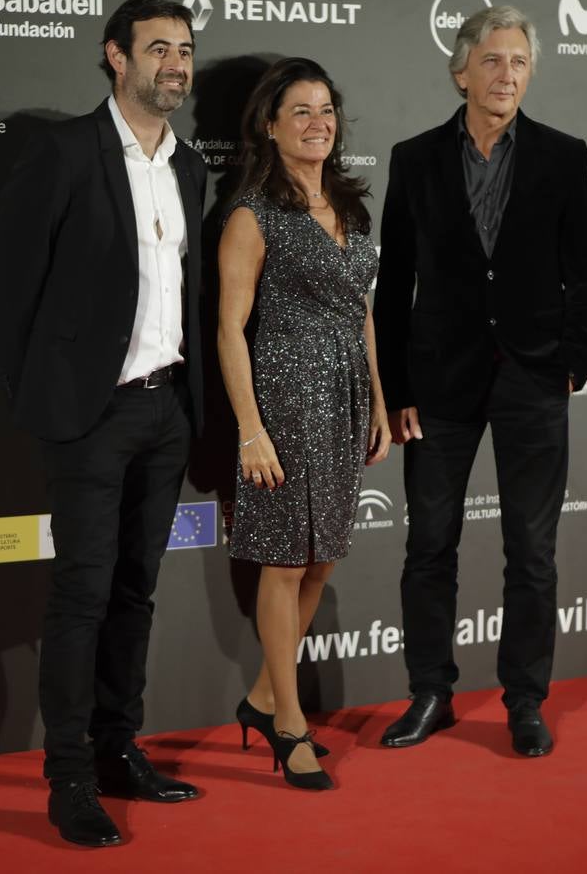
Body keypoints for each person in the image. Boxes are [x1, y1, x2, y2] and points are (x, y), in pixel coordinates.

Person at [0, 0, 207, 847]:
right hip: (90, 415)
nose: (177, 65)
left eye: (185, 50)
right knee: (81, 597)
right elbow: (12, 292)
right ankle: (70, 780)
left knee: (134, 594)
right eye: (159, 49)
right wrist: (47, 400)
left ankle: (121, 753)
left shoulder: (189, 167)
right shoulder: (63, 153)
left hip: (167, 411)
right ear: (114, 56)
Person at [373, 5, 587, 757]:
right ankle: (431, 692)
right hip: (439, 384)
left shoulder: (565, 157)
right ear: (462, 69)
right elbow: (394, 281)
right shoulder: (414, 158)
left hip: (535, 378)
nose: (508, 76)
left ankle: (526, 700)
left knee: (532, 552)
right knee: (429, 545)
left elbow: (585, 278)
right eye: (495, 61)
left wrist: (573, 358)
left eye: (521, 63)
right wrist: (399, 387)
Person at [217, 57, 390, 790]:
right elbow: (229, 328)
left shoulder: (350, 209)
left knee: (320, 559)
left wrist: (380, 400)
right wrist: (250, 429)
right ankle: (290, 726)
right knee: (284, 562)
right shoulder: (254, 213)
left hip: (346, 400)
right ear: (270, 125)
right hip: (284, 401)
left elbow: (365, 315)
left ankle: (261, 697)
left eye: (326, 111)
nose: (318, 123)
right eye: (301, 112)